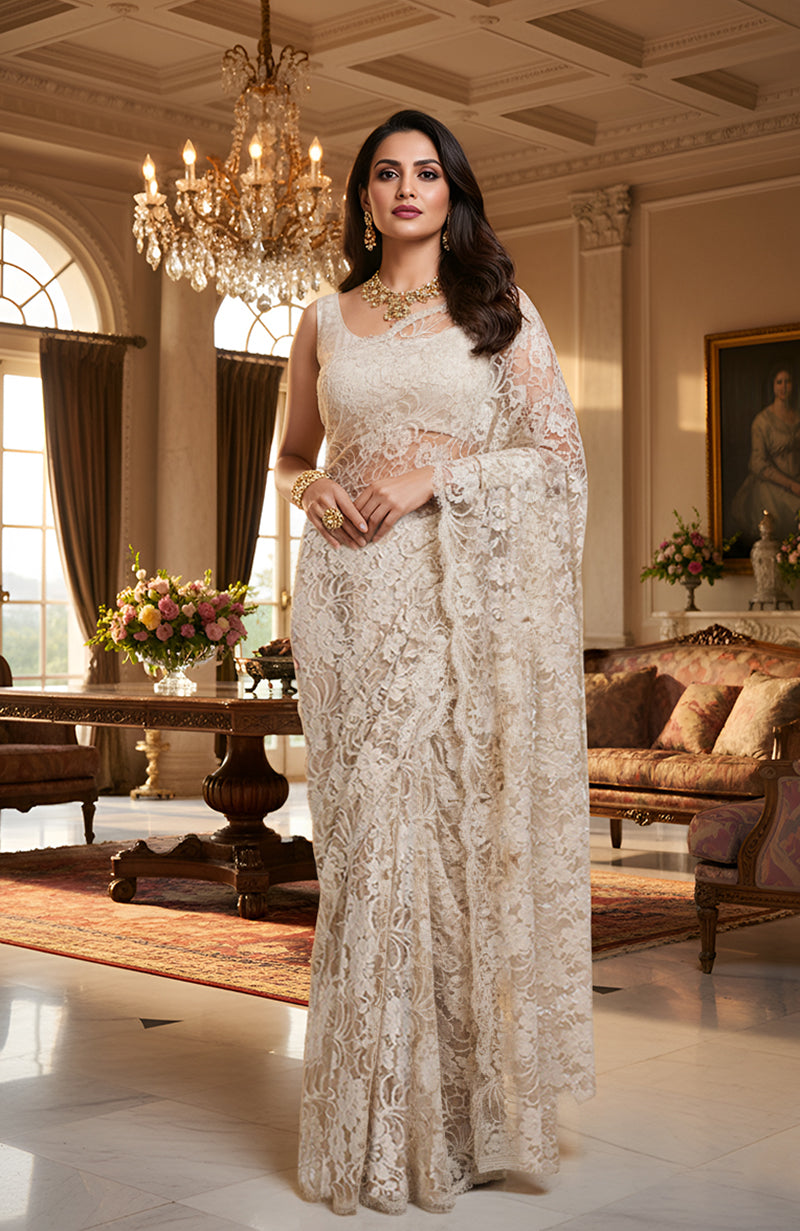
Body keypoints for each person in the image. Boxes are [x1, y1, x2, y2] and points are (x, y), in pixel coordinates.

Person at [275, 109, 595, 1217]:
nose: (405, 189)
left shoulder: (499, 315)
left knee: (440, 845)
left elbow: (554, 460)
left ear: (451, 191)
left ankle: (451, 1124)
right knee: (365, 852)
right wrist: (309, 486)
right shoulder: (322, 317)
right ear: (361, 198)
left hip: (451, 606)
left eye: (425, 172)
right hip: (344, 604)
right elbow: (287, 454)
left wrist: (434, 481)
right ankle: (369, 1120)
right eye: (383, 174)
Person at [731, 365, 800, 547]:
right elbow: (757, 463)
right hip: (772, 487)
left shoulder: (798, 417)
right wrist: (791, 485)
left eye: (788, 382)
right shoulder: (762, 421)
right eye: (779, 382)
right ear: (772, 386)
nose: (784, 387)